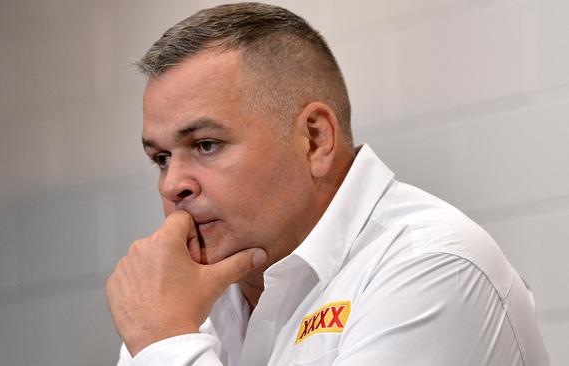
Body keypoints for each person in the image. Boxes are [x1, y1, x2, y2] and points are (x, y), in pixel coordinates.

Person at [106, 3, 549, 365]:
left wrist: (164, 343)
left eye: (205, 144)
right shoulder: (179, 302)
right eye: (161, 158)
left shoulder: (435, 265)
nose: (173, 185)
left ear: (315, 139)